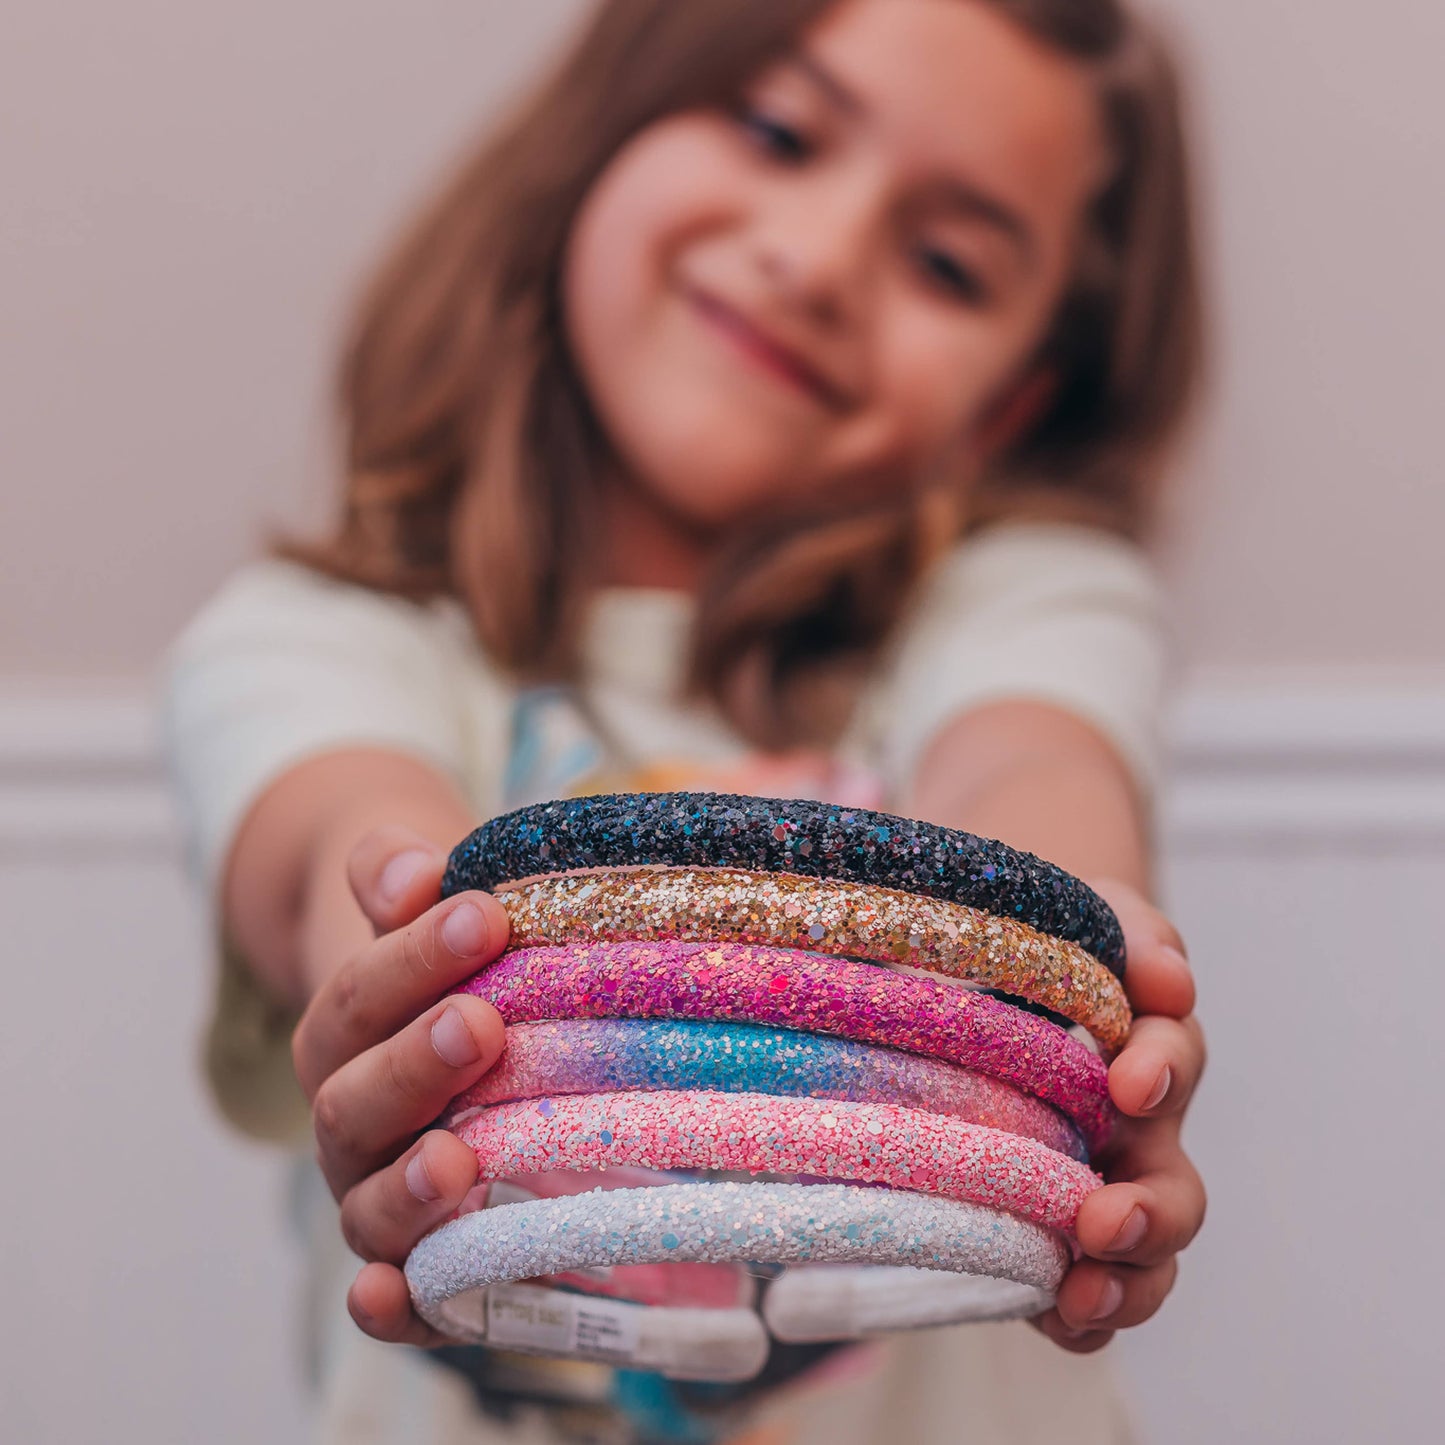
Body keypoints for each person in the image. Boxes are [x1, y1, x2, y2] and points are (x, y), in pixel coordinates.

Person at [162, 0, 1208, 1440]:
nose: (820, 259)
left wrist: (1085, 957)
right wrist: (402, 988)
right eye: (778, 130)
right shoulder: (313, 635)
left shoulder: (1014, 599)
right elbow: (342, 844)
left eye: (948, 262)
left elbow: (1030, 752)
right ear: (609, 128)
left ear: (1007, 406)